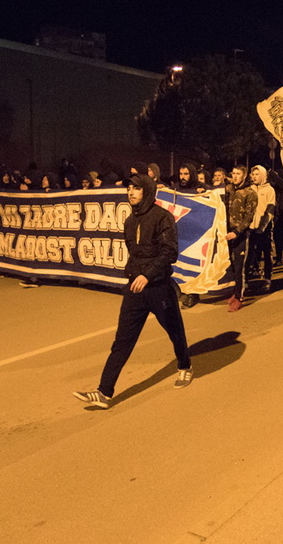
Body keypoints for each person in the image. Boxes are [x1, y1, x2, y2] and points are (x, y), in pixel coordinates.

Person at [73, 173, 192, 410]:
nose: (131, 192)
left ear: (146, 191)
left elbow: (169, 252)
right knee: (122, 341)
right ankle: (104, 392)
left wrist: (147, 275)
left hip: (158, 288)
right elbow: (134, 252)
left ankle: (185, 366)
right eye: (129, 188)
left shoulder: (163, 217)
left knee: (175, 332)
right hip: (135, 289)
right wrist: (134, 274)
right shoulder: (130, 221)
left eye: (136, 188)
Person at [224, 166, 258, 311]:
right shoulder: (228, 190)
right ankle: (235, 291)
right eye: (233, 173)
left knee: (240, 268)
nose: (235, 176)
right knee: (231, 266)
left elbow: (249, 217)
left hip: (241, 235)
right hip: (227, 233)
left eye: (238, 174)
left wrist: (237, 232)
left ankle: (239, 297)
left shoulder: (250, 193)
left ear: (244, 176)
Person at [248, 165, 277, 292]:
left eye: (257, 174)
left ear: (263, 175)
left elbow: (270, 209)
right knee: (251, 252)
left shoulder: (269, 190)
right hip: (250, 226)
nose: (254, 177)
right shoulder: (250, 189)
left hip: (264, 227)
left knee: (266, 252)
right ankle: (254, 273)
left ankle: (267, 278)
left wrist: (262, 226)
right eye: (253, 174)